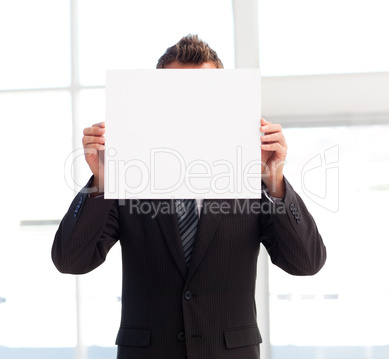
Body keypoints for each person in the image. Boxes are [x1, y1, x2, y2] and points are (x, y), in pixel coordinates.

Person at [52, 34, 326, 359]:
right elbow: (70, 261)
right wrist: (101, 181)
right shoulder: (126, 178)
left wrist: (275, 179)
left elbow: (306, 263)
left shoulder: (253, 179)